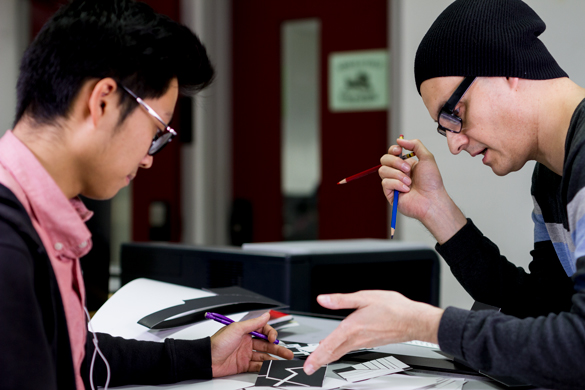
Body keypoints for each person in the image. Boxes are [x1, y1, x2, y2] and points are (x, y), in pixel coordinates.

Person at [0, 1, 292, 389]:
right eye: (157, 133)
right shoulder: (7, 250)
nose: (149, 159)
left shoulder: (36, 216)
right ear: (101, 101)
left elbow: (79, 357)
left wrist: (204, 357)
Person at [302, 1, 585, 389]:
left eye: (455, 113)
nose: (454, 145)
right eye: (443, 128)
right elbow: (541, 309)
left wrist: (423, 324)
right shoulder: (551, 178)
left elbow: (577, 346)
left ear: (506, 68)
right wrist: (437, 209)